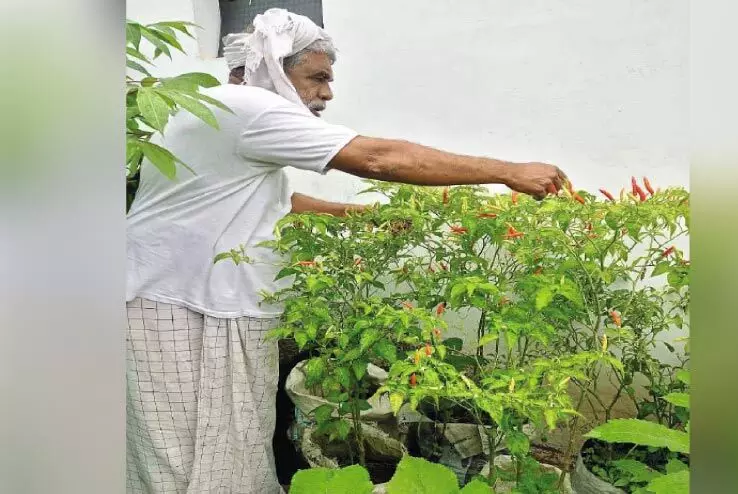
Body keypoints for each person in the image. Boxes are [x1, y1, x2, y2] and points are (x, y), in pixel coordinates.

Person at [126, 8, 568, 493]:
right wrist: (508, 170)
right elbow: (379, 158)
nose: (327, 93)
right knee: (185, 449)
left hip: (184, 298)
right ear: (273, 68)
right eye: (317, 78)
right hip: (177, 303)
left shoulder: (209, 109)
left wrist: (358, 217)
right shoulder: (248, 107)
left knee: (211, 440)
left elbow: (271, 199)